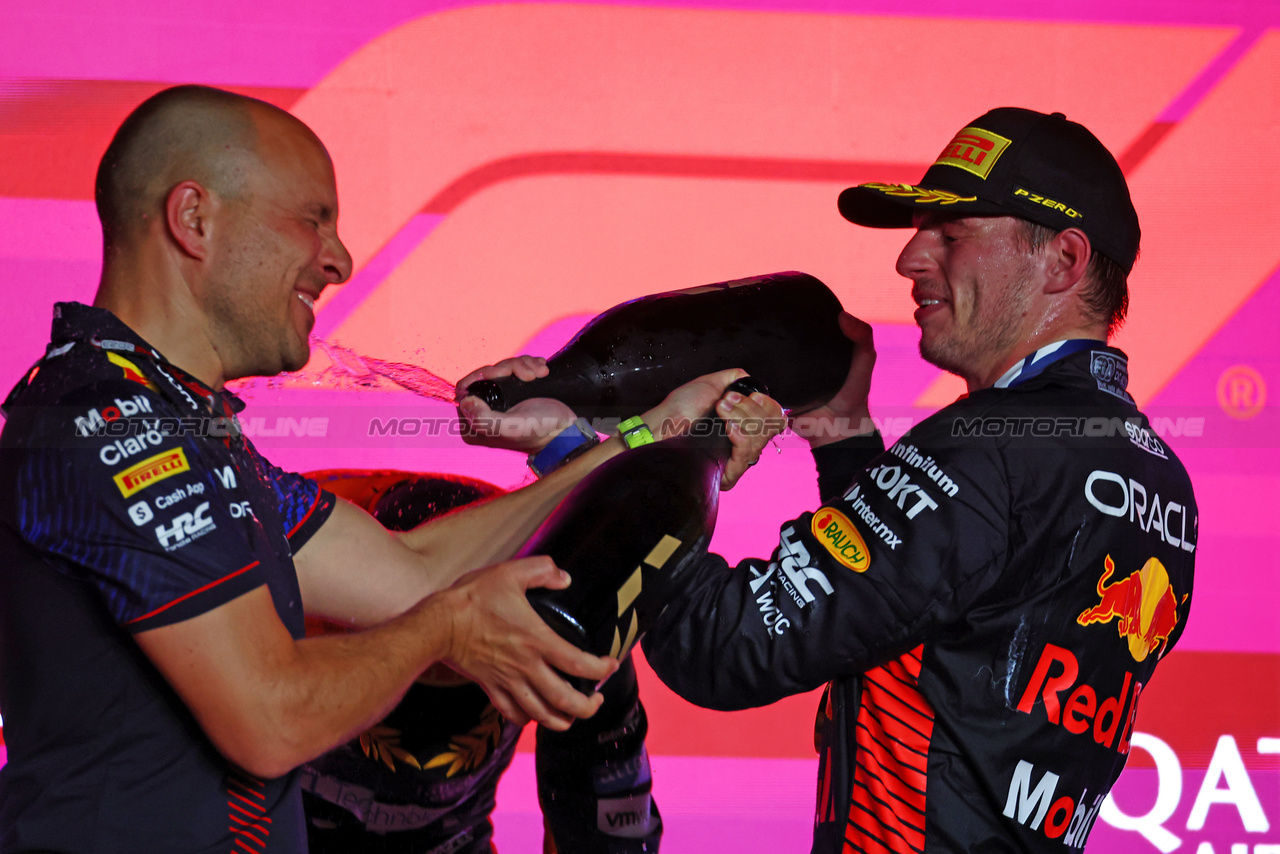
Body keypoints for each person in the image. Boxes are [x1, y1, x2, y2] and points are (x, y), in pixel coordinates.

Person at [0, 84, 775, 853]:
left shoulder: (172, 423)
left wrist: (648, 437)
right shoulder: (109, 427)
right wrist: (448, 626)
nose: (337, 259)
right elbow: (273, 719)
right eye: (314, 219)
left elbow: (411, 567)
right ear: (194, 218)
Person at [635, 108, 1198, 852]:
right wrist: (843, 435)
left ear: (1062, 260)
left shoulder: (987, 448)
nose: (910, 259)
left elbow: (725, 645)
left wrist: (630, 462)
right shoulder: (1157, 478)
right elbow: (933, 632)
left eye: (952, 234)